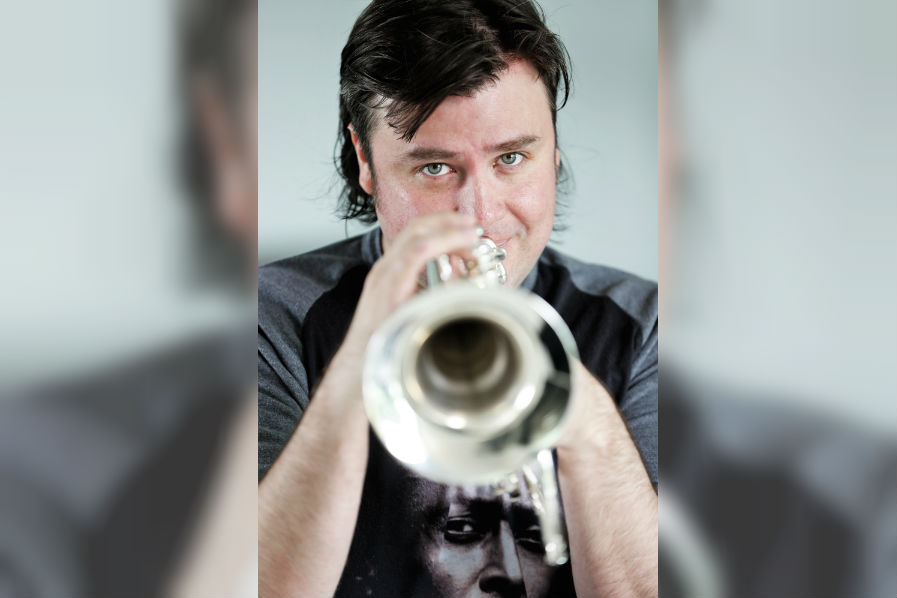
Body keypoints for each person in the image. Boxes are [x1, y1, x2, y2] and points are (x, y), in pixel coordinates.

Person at [257, 1, 658, 596]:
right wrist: (355, 365)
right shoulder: (271, 315)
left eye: (511, 158)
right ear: (365, 160)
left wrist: (577, 410)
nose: (480, 216)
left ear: (554, 152)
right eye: (435, 168)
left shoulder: (642, 323)